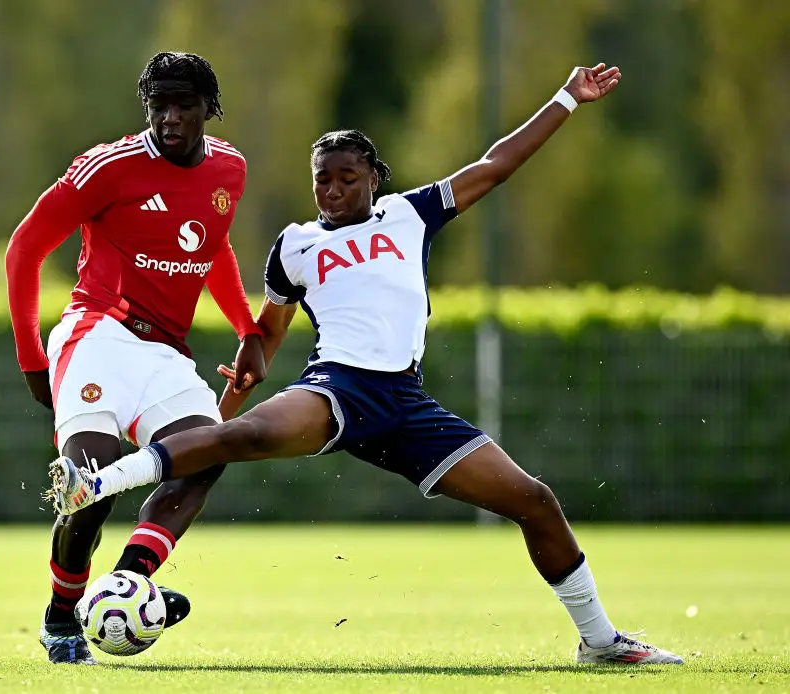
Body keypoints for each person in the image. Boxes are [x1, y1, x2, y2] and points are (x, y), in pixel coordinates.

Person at [48, 63, 685, 665]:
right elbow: (267, 335)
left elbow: (495, 165)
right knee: (240, 436)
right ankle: (95, 485)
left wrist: (567, 97)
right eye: (322, 179)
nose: (332, 190)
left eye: (347, 178)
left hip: (405, 404)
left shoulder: (411, 214)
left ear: (374, 177)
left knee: (535, 501)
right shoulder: (295, 246)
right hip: (337, 388)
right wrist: (245, 369)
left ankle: (600, 641)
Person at [5, 51, 267, 664]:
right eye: (158, 105)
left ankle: (126, 585)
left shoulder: (229, 168)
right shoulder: (108, 166)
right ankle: (62, 615)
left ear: (210, 108)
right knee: (90, 491)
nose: (170, 117)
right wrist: (32, 360)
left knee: (206, 455)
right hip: (98, 337)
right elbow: (24, 250)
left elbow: (211, 247)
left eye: (184, 105)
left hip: (165, 354)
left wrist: (247, 327)